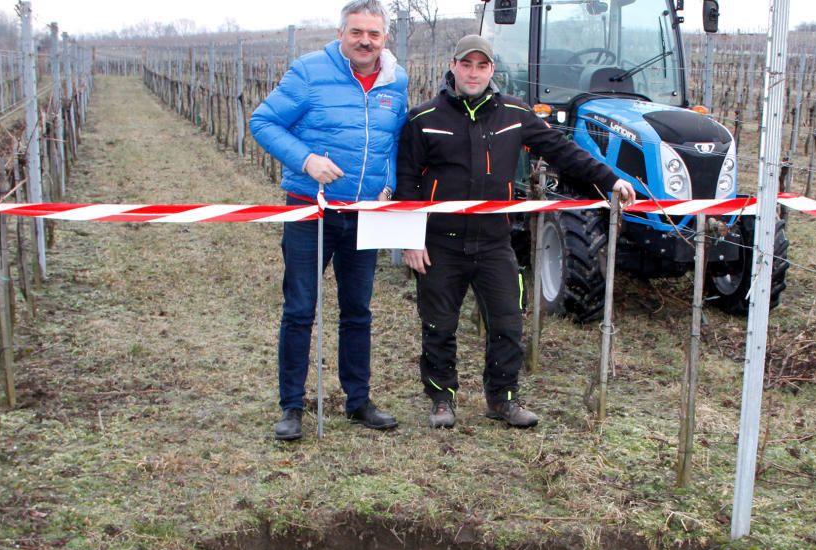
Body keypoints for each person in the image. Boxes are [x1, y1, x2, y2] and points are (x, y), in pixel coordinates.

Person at [396, 35, 635, 429]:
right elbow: (407, 182)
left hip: (494, 242)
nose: (473, 73)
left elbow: (563, 151)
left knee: (508, 324)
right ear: (453, 66)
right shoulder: (424, 118)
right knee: (438, 325)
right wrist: (410, 239)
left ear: (492, 70)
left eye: (482, 65)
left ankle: (503, 399)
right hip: (441, 244)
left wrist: (609, 179)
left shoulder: (515, 113)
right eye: (466, 64)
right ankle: (441, 399)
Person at [250, 0, 407, 440]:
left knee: (358, 310)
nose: (365, 41)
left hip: (364, 214)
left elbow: (395, 140)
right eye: (356, 32)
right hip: (310, 210)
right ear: (341, 34)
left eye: (373, 34)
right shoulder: (308, 72)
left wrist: (389, 183)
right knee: (300, 308)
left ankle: (358, 401)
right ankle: (292, 406)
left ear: (384, 38)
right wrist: (307, 160)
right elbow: (263, 122)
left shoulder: (396, 80)